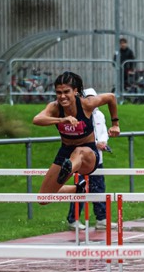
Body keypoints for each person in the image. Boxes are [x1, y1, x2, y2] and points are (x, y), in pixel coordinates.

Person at [33, 71, 120, 203]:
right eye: (58, 93)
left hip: (88, 155)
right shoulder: (55, 107)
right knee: (43, 199)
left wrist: (115, 124)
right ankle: (78, 189)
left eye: (66, 92)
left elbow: (111, 97)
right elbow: (37, 119)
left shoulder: (87, 104)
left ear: (75, 91)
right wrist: (61, 120)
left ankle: (68, 168)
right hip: (65, 152)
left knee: (78, 152)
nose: (62, 97)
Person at [66, 88, 117, 231]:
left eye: (93, 99)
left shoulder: (100, 115)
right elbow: (80, 136)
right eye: (88, 99)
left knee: (99, 188)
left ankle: (101, 218)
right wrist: (95, 143)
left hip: (97, 160)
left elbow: (103, 132)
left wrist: (103, 142)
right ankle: (73, 219)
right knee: (80, 188)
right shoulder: (78, 116)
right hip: (82, 161)